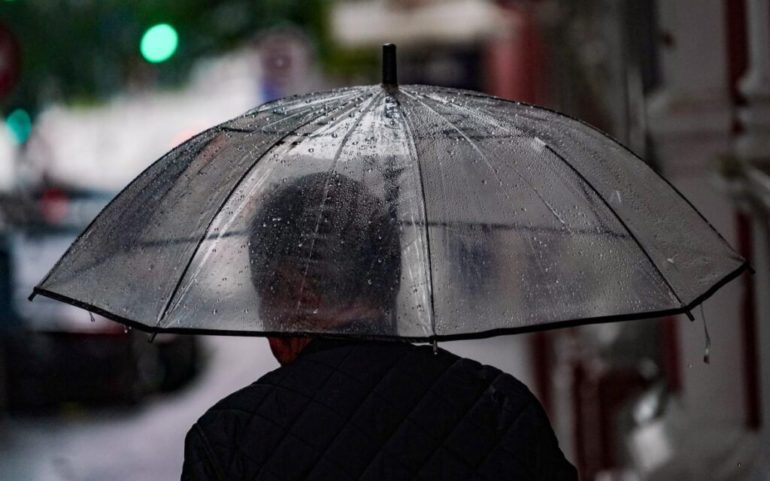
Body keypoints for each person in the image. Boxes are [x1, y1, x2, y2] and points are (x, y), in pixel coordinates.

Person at [181, 173, 577, 481]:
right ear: (389, 279)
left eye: (266, 291)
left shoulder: (230, 439)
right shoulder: (500, 408)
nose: (264, 313)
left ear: (295, 290)